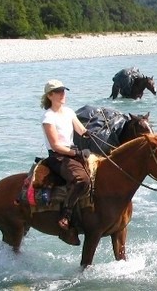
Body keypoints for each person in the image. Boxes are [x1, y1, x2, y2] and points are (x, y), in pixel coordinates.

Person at [41, 79, 90, 246]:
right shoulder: (48, 117)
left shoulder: (68, 112)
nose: (63, 94)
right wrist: (75, 152)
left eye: (64, 91)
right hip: (58, 157)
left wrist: (89, 133)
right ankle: (66, 215)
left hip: (72, 153)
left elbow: (81, 130)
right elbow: (55, 145)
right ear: (50, 95)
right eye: (59, 91)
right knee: (82, 180)